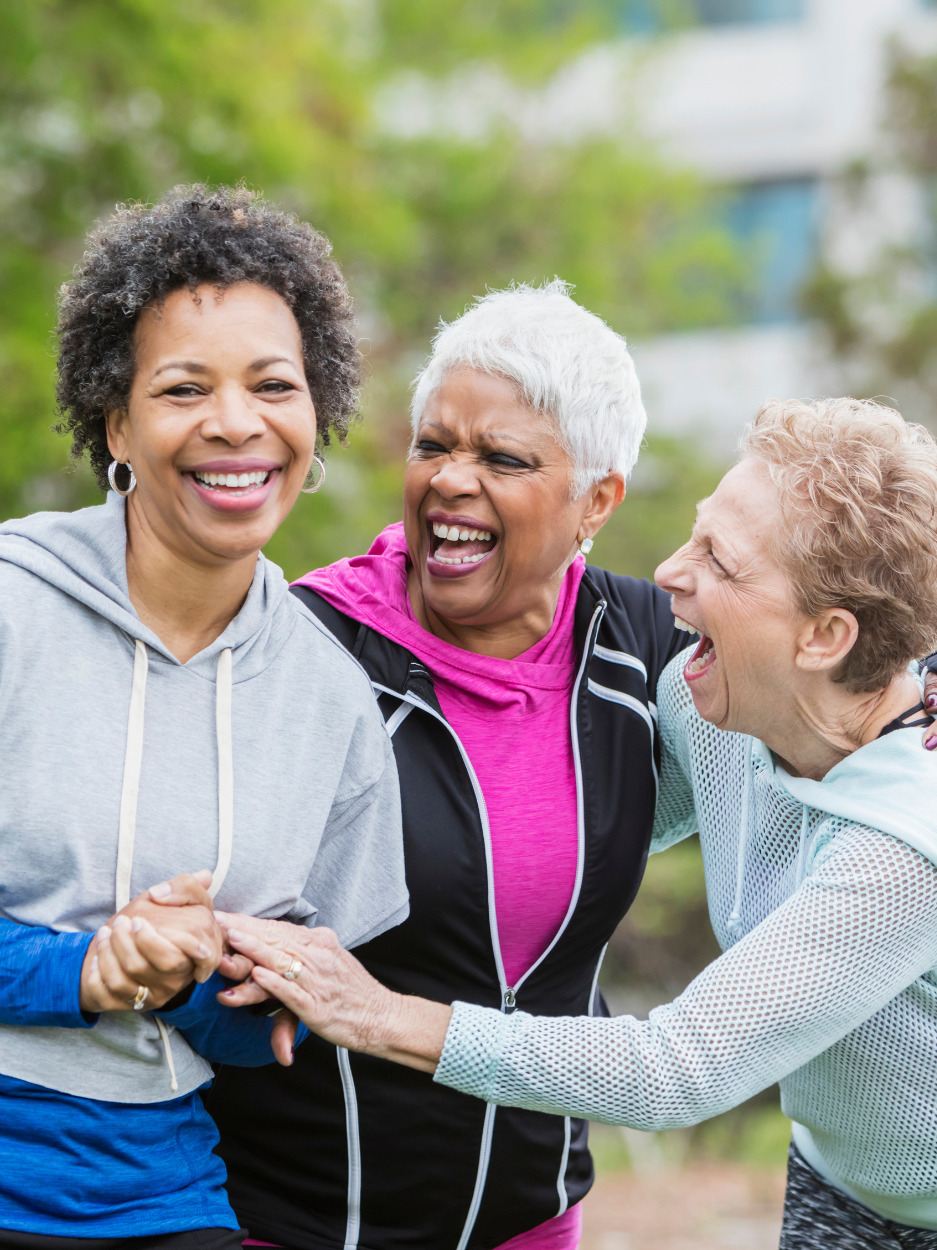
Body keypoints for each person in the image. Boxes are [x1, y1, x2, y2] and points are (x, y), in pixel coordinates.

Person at [224, 398, 937, 1250]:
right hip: (839, 1180)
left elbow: (676, 1070)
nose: (668, 572)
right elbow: (574, 820)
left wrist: (375, 1014)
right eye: (695, 533)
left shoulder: (903, 851)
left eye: (718, 560)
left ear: (823, 637)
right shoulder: (722, 707)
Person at [205, 282, 691, 1250]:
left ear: (597, 498)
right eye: (434, 445)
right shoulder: (303, 649)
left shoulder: (647, 643)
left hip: (532, 1218)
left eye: (502, 457)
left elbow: (824, 670)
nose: (450, 480)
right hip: (294, 1221)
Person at [0, 185, 407, 1245]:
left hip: (155, 1185)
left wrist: (197, 975)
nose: (236, 422)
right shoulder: (10, 606)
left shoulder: (328, 698)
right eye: (185, 387)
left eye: (274, 384)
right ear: (116, 422)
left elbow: (266, 1038)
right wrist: (84, 969)